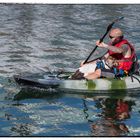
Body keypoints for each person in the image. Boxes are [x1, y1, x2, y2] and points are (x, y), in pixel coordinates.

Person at [72, 28, 136, 80]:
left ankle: (82, 81)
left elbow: (119, 50)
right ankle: (75, 78)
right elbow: (103, 58)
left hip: (121, 71)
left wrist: (104, 45)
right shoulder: (113, 45)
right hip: (110, 66)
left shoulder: (125, 46)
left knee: (99, 71)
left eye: (111, 37)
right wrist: (88, 62)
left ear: (118, 38)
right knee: (84, 65)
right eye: (109, 36)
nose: (109, 38)